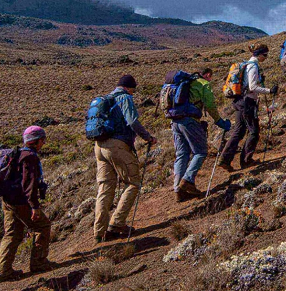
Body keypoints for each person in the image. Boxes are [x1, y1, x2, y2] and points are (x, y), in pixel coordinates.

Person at [94, 75, 157, 243]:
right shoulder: (125, 98)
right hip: (117, 145)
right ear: (129, 88)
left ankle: (99, 232)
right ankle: (117, 224)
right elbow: (132, 121)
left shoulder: (106, 99)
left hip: (99, 146)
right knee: (133, 182)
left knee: (105, 188)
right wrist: (147, 137)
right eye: (133, 89)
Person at [0, 126, 53, 283]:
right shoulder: (30, 157)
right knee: (42, 226)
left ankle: (3, 271)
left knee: (12, 234)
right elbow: (29, 183)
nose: (44, 143)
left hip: (8, 200)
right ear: (37, 141)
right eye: (43, 140)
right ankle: (39, 263)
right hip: (21, 201)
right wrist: (34, 206)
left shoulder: (18, 154)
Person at [172, 68, 231, 202]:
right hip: (190, 120)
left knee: (182, 154)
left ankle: (178, 190)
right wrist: (219, 122)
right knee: (200, 152)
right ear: (208, 75)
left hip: (175, 121)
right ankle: (187, 180)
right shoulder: (203, 84)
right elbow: (210, 105)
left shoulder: (186, 83)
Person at [218, 43, 277, 171]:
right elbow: (252, 87)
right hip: (247, 102)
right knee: (254, 131)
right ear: (260, 54)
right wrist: (269, 91)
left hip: (239, 101)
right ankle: (246, 160)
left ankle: (225, 159)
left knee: (239, 131)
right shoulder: (253, 67)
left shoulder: (246, 65)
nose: (266, 58)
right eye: (265, 55)